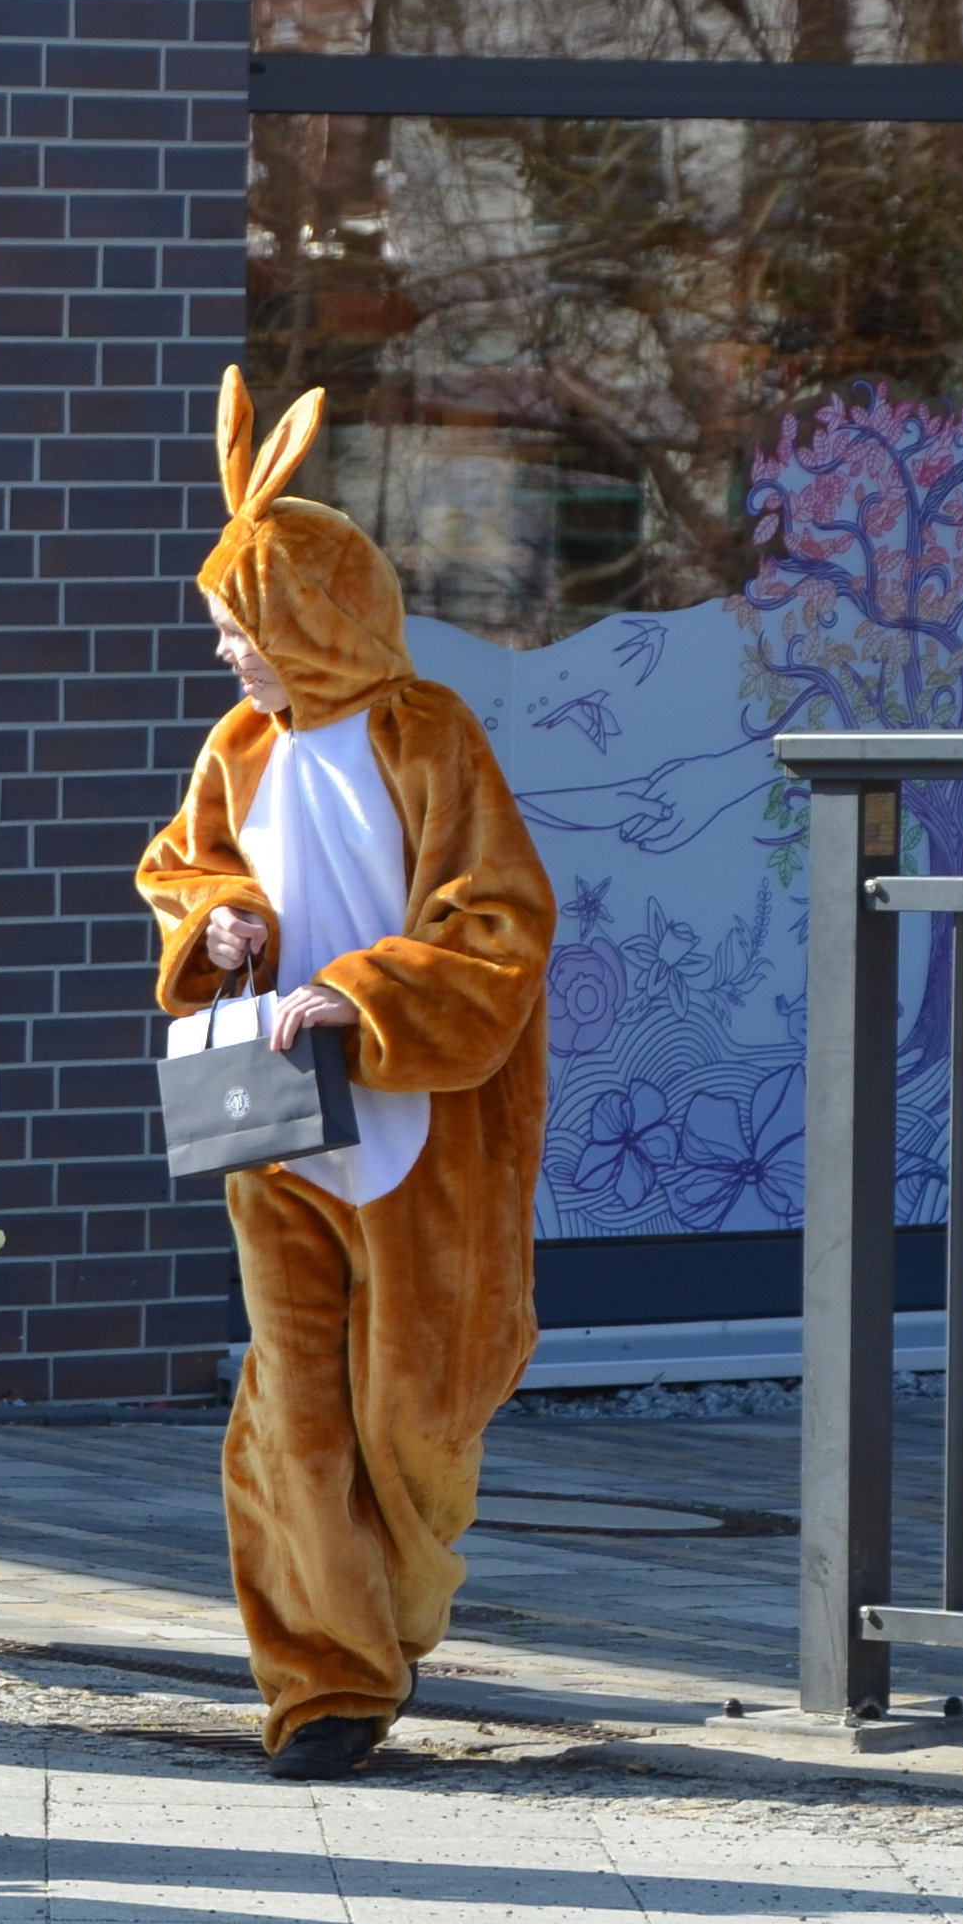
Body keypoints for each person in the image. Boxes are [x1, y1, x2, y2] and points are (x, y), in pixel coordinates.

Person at [134, 376, 553, 1782]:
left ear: (311, 619)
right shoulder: (236, 751)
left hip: (419, 1129)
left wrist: (361, 990)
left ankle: (397, 1607)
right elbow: (182, 872)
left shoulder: (429, 738)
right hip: (277, 1123)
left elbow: (498, 926)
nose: (226, 659)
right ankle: (323, 1679)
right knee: (293, 1408)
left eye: (239, 631)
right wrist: (221, 927)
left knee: (412, 1411)